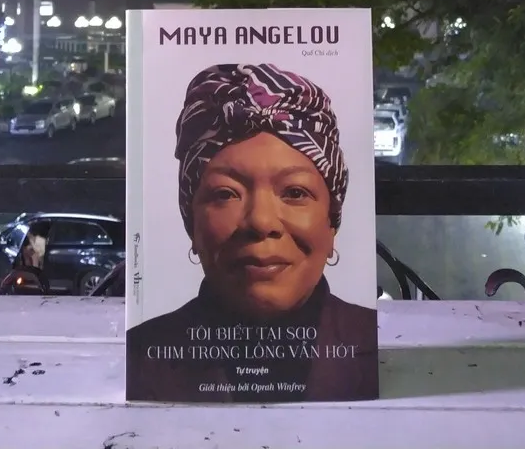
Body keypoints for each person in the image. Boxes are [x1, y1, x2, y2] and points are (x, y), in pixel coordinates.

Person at [126, 63, 379, 403]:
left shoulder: (372, 349)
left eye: (295, 192)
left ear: (332, 221)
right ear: (191, 221)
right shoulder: (142, 357)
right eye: (226, 194)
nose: (261, 222)